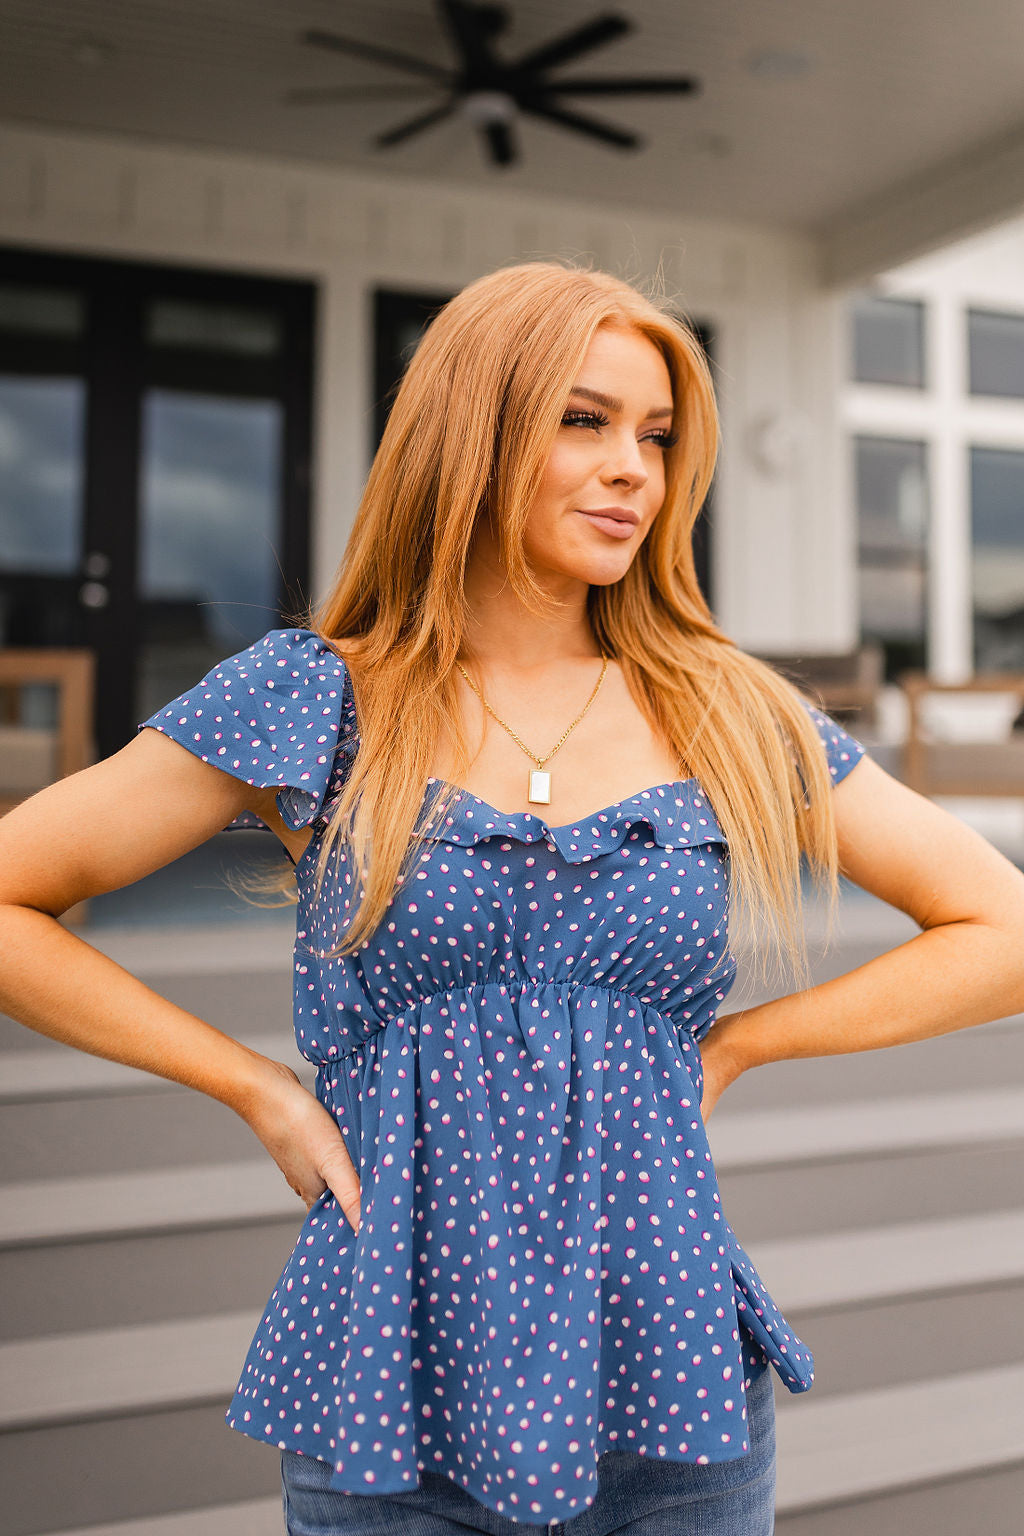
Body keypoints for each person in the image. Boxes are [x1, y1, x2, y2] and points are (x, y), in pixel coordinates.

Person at [2, 261, 1023, 1536]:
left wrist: (746, 1043)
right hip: (386, 1374)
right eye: (583, 421)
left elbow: (1006, 933)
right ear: (471, 433)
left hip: (670, 1377)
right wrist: (253, 1084)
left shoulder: (726, 708)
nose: (632, 470)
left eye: (655, 437)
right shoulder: (316, 694)